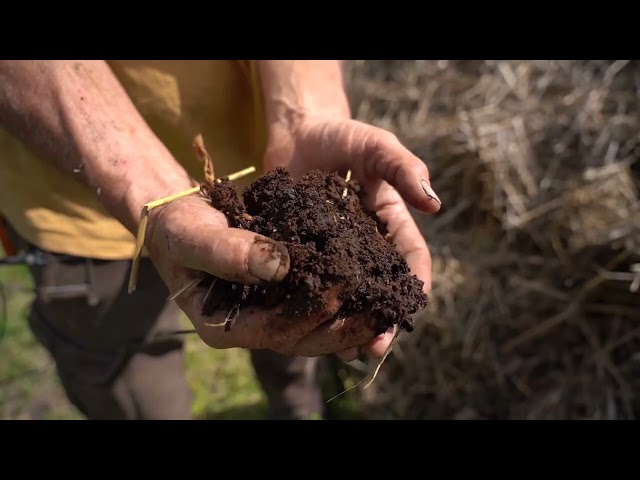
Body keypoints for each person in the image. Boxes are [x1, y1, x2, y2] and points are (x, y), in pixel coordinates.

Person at [0, 60, 440, 420]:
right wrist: (146, 190)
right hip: (80, 206)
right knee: (132, 393)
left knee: (295, 333)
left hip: (265, 173)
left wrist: (305, 112)